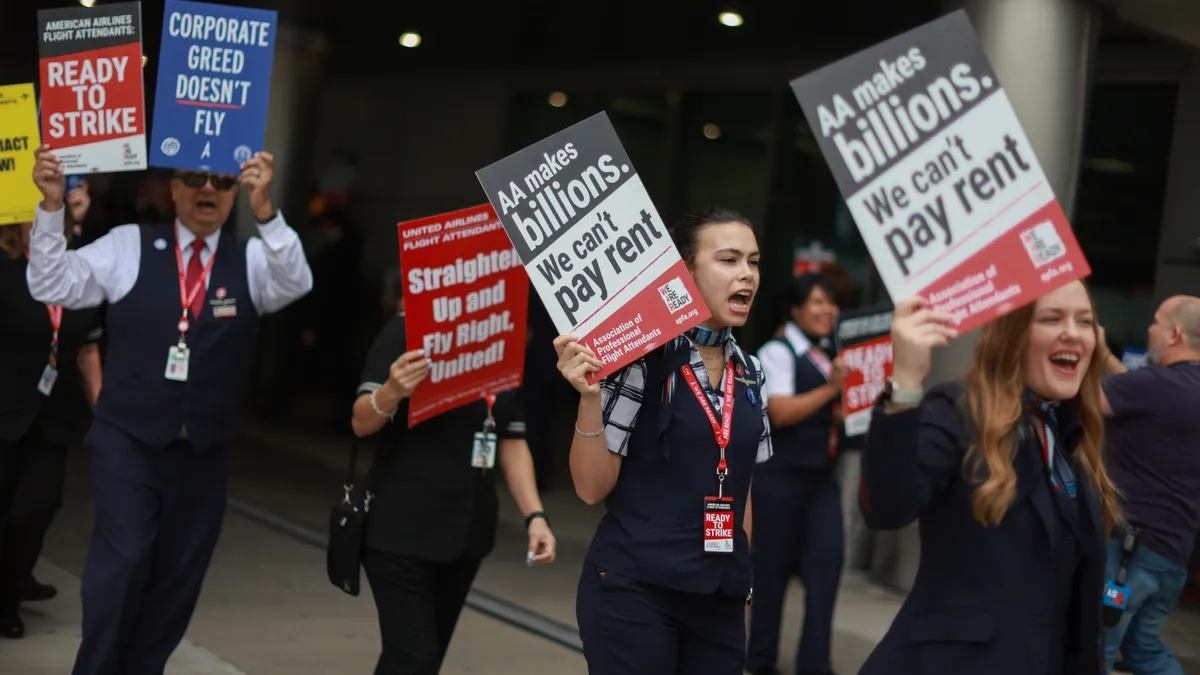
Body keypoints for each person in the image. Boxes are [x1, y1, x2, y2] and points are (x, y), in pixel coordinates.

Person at [27, 145, 313, 675]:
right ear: (173, 189)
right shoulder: (129, 245)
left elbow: (297, 282)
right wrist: (50, 210)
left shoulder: (251, 259)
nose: (209, 189)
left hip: (204, 450)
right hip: (128, 441)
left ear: (235, 196)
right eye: (195, 178)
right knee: (124, 560)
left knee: (178, 576)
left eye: (223, 182)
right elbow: (51, 283)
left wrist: (267, 210)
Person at [857, 281, 1121, 675]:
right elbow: (887, 506)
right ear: (1011, 335)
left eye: (1085, 321)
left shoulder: (1070, 439)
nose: (1072, 331)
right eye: (1051, 318)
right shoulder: (957, 410)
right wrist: (906, 385)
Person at [555, 206, 771, 675]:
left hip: (719, 600)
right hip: (635, 591)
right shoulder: (641, 357)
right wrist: (590, 398)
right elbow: (591, 488)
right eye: (729, 260)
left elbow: (744, 490)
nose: (747, 275)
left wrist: (741, 583)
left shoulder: (752, 372)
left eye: (753, 262)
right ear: (686, 272)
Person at [351, 309, 557, 674]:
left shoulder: (502, 340)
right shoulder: (407, 328)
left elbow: (511, 439)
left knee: (415, 660)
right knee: (416, 661)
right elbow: (361, 422)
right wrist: (394, 390)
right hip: (400, 531)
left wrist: (535, 516)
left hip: (465, 534)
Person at [0, 215, 103, 639]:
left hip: (54, 418)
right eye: (40, 219)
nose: (49, 227)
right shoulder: (5, 272)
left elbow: (88, 351)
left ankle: (9, 591)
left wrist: (105, 411)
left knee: (36, 508)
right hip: (4, 411)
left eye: (58, 221)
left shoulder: (80, 278)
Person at [747, 272, 850, 675]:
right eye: (818, 302)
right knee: (770, 575)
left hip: (821, 480)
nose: (828, 311)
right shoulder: (777, 350)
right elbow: (781, 410)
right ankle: (760, 661)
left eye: (831, 303)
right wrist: (831, 391)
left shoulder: (828, 352)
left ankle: (815, 665)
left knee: (826, 568)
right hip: (780, 480)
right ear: (795, 309)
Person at [1095, 295, 1200, 675]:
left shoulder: (1154, 386)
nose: (1149, 329)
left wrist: (1081, 349)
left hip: (1129, 556)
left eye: (1155, 322)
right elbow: (1140, 392)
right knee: (1144, 651)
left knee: (1095, 652)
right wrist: (1104, 354)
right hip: (1172, 557)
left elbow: (1082, 400)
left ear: (1174, 334)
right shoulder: (1176, 388)